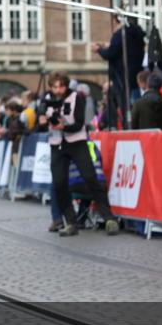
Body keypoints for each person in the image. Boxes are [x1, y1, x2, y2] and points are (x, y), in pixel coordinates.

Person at [41, 72, 120, 237]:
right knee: (59, 183)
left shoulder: (76, 97)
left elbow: (78, 124)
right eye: (54, 87)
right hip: (57, 144)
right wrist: (42, 120)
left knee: (90, 177)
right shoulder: (46, 99)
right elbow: (41, 120)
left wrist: (63, 126)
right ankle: (71, 222)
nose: (57, 90)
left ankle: (109, 218)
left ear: (66, 85)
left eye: (61, 86)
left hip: (77, 142)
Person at [94, 17, 146, 126]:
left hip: (122, 78)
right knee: (134, 105)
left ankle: (126, 126)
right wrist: (108, 46)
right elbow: (122, 49)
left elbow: (110, 53)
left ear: (117, 22)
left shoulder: (120, 35)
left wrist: (99, 50)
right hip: (134, 75)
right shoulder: (136, 34)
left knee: (124, 106)